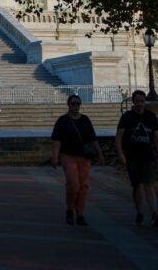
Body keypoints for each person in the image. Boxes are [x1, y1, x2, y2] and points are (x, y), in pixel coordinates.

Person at [51, 94, 104, 226]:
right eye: (73, 103)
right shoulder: (62, 120)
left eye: (78, 104)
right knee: (73, 184)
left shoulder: (85, 120)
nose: (76, 106)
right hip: (67, 155)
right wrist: (55, 156)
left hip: (84, 157)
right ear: (68, 105)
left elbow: (93, 138)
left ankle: (80, 213)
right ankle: (70, 209)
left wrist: (100, 153)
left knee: (84, 186)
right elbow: (57, 140)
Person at [116, 89, 158, 226]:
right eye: (137, 101)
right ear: (133, 102)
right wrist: (121, 154)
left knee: (149, 184)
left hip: (148, 155)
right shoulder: (127, 117)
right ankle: (140, 212)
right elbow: (118, 137)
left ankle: (154, 213)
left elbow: (156, 138)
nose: (140, 104)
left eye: (142, 101)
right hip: (132, 156)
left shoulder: (151, 116)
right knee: (137, 185)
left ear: (145, 102)